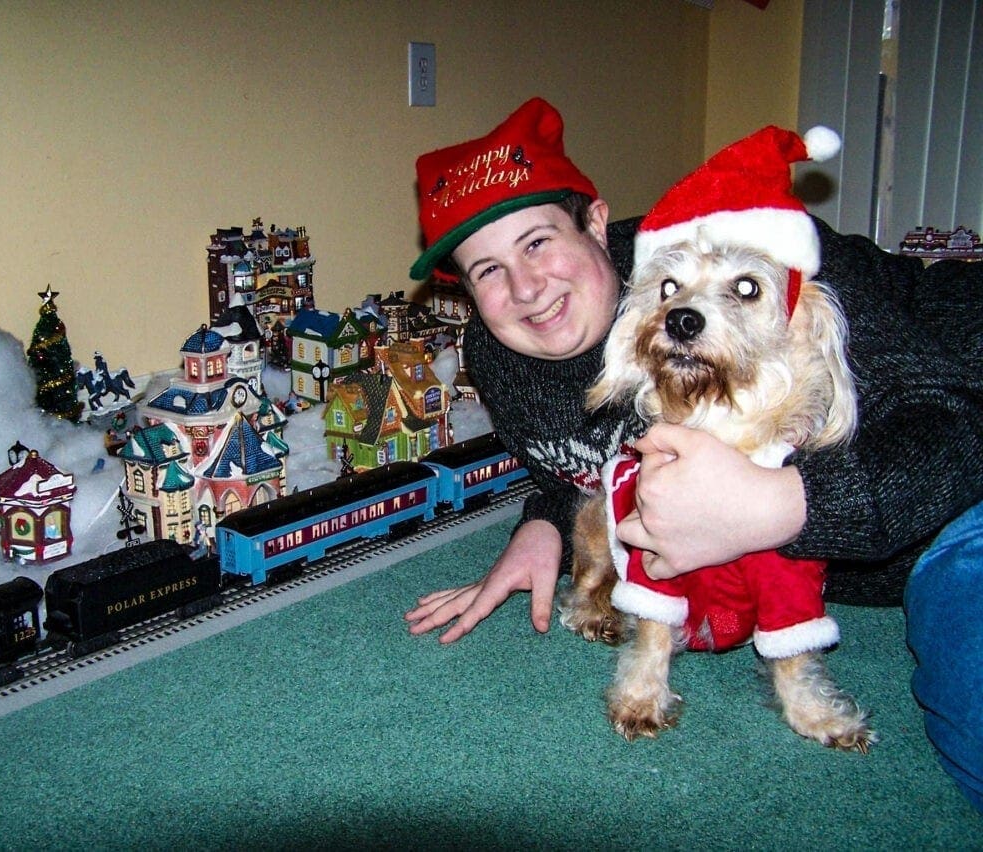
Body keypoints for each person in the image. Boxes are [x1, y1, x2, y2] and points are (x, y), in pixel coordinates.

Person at [403, 98, 983, 811]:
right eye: (486, 270)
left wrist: (780, 505)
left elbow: (959, 427)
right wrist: (546, 521)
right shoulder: (500, 349)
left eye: (536, 243)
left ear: (595, 222)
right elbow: (584, 461)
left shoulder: (772, 257)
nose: (525, 290)